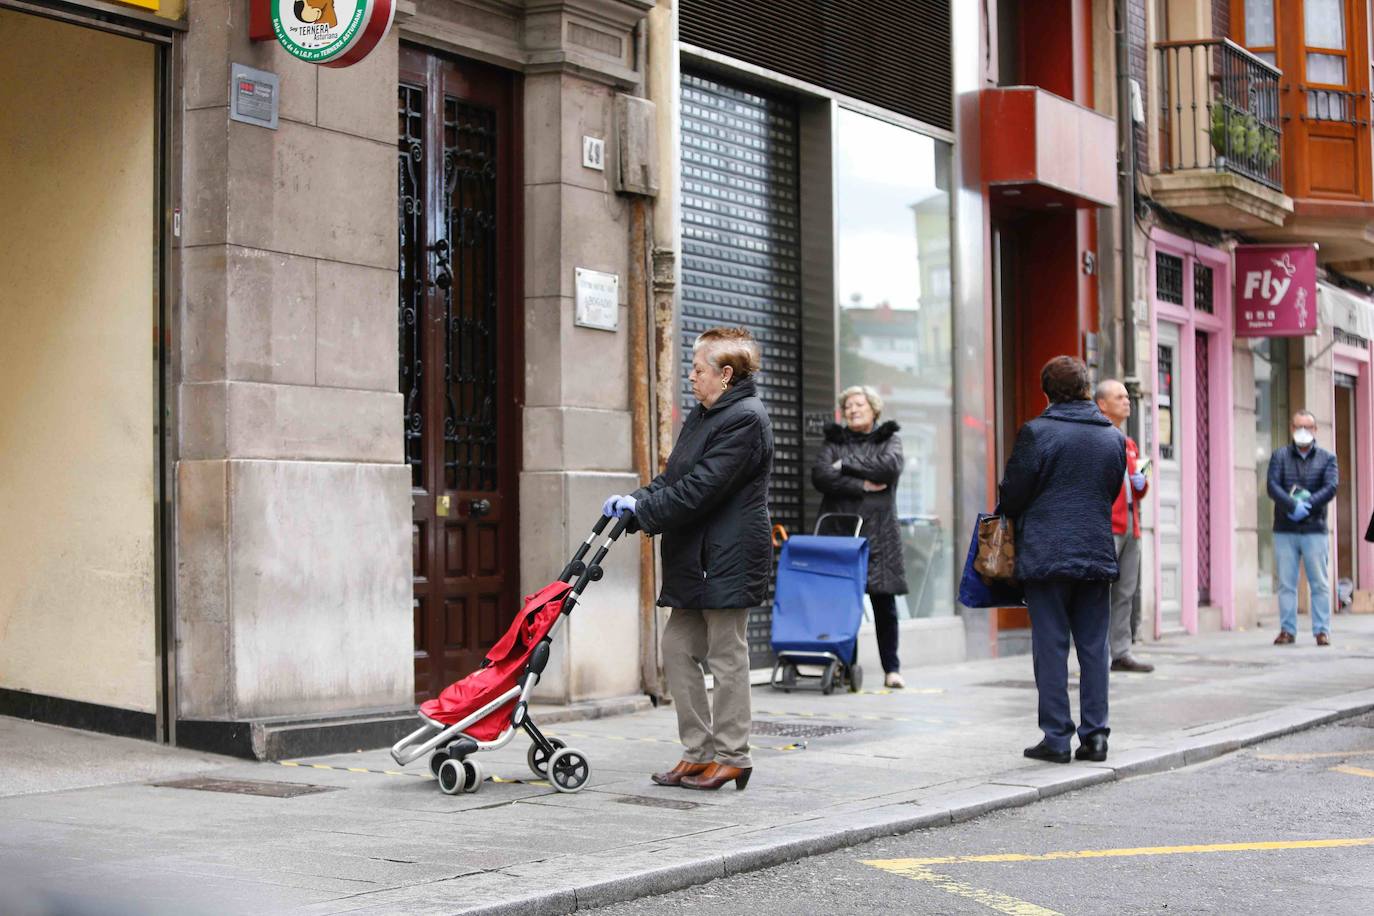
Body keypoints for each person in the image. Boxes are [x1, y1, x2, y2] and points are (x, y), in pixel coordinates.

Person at [602, 327, 773, 791]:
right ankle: (698, 751)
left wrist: (647, 512)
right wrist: (636, 501)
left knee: (726, 655)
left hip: (728, 553)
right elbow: (677, 476)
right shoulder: (705, 415)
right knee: (678, 648)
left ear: (725, 374)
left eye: (698, 369)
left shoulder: (745, 419)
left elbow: (702, 489)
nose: (691, 377)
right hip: (696, 555)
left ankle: (733, 755)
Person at [998, 357, 1127, 764]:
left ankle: (1056, 738)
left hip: (1046, 553)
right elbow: (1109, 491)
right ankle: (1096, 737)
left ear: (1047, 391)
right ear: (1088, 388)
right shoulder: (1113, 437)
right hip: (1094, 550)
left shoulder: (1037, 433)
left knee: (1051, 647)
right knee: (1094, 647)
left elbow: (1012, 496)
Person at [811, 385, 910, 688]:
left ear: (874, 409)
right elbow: (821, 475)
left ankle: (891, 669)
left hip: (879, 532)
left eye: (859, 404)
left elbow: (889, 468)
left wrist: (847, 466)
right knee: (844, 602)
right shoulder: (834, 440)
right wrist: (863, 486)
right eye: (848, 405)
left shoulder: (889, 438)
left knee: (884, 604)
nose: (853, 410)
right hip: (843, 530)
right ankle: (845, 666)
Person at [1093, 379, 1153, 674]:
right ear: (1102, 404)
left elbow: (1139, 487)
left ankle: (1121, 652)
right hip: (1107, 527)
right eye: (1120, 397)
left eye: (1127, 396)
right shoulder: (1096, 438)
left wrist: (1143, 482)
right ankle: (1098, 653)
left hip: (1132, 527)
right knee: (1100, 593)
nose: (1127, 401)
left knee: (1126, 592)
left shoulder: (1129, 443)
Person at [1268, 409, 1339, 647]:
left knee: (1318, 582)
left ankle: (1322, 630)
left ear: (1315, 430)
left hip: (1314, 529)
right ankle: (1287, 630)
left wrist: (1307, 505)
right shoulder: (1280, 456)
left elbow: (1331, 487)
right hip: (1285, 528)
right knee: (1286, 583)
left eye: (1307, 427)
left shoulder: (1327, 458)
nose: (1303, 432)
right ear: (1291, 428)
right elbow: (1272, 486)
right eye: (1298, 427)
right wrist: (1291, 505)